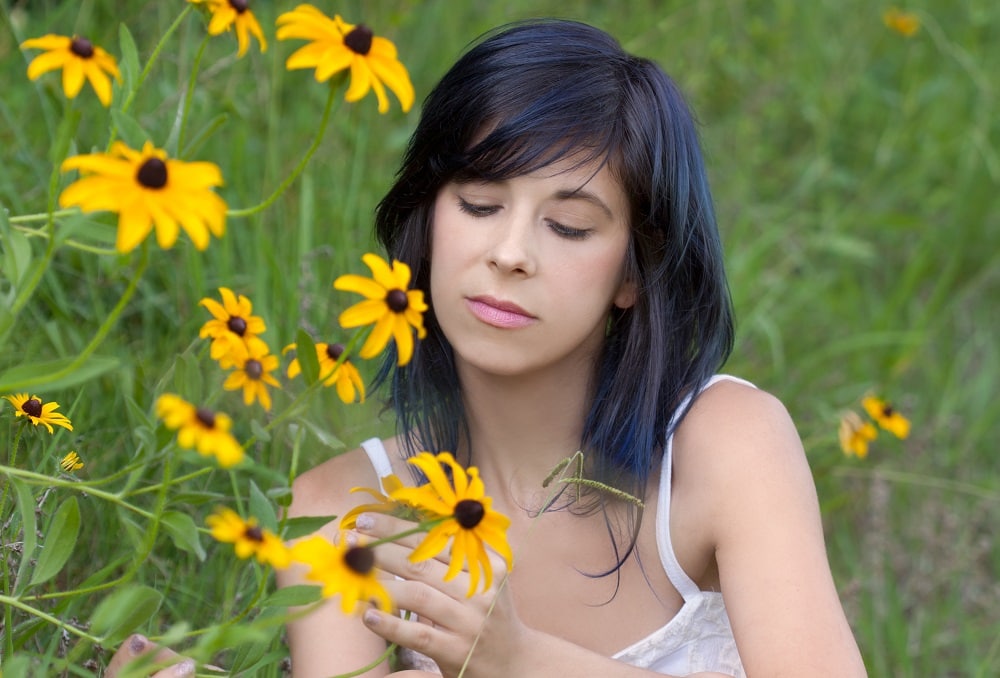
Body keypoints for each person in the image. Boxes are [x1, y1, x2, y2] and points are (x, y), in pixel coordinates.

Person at [109, 18, 866, 678]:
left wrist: (519, 663)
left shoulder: (725, 444)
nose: (509, 253)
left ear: (634, 271)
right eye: (478, 203)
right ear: (427, 219)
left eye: (568, 226)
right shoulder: (340, 512)